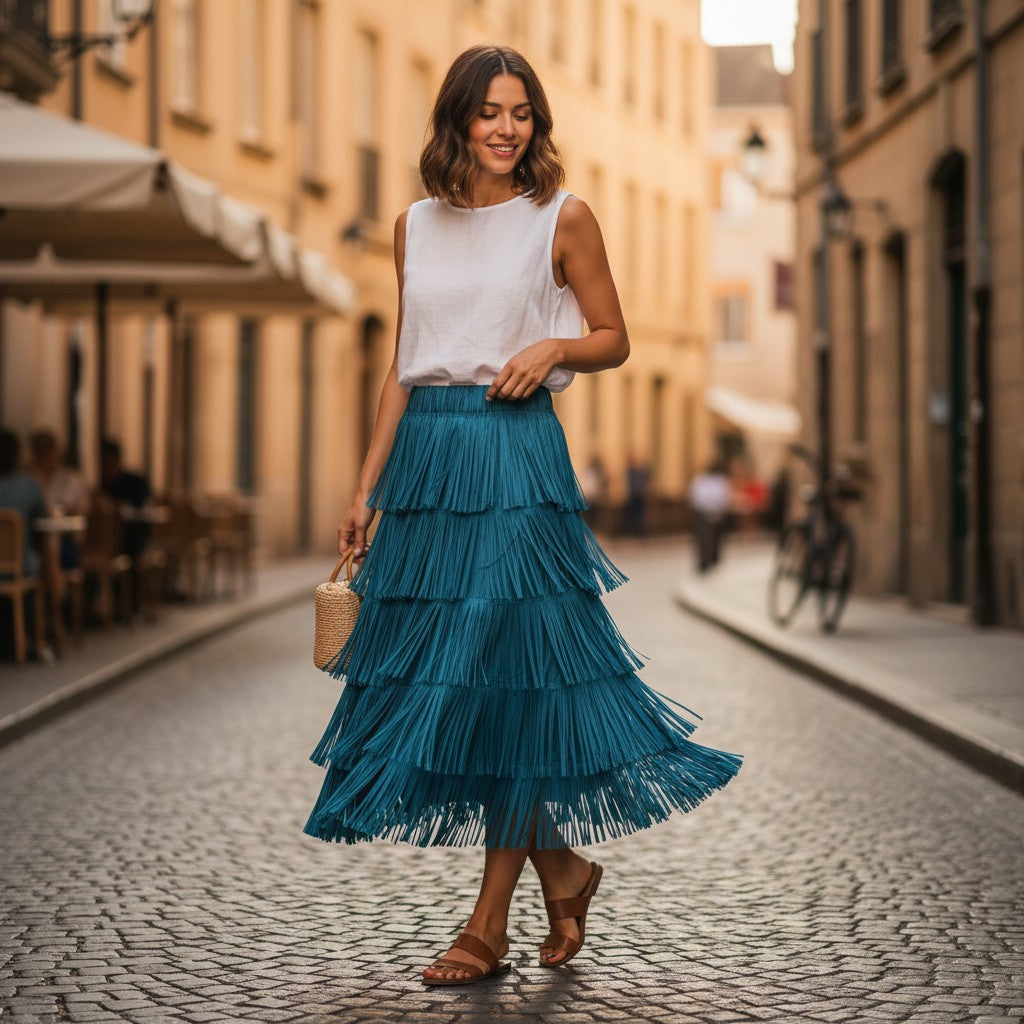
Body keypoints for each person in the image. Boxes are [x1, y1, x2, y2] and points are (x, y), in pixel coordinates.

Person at [303, 45, 742, 987]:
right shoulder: (412, 225)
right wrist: (367, 486)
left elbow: (613, 337)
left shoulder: (561, 216)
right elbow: (405, 363)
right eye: (490, 112)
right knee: (477, 682)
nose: (508, 129)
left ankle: (487, 924)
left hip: (515, 456)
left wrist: (551, 348)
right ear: (457, 119)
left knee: (491, 671)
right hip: (429, 460)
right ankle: (566, 867)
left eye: (523, 113)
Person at [28, 429, 90, 569]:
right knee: (45, 546)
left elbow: (81, 511)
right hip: (34, 541)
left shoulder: (71, 479)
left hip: (66, 541)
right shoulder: (29, 479)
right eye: (40, 453)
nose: (44, 458)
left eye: (47, 452)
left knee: (50, 544)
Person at [688, 461, 732, 573]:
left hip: (707, 512)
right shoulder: (705, 481)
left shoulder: (704, 481)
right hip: (707, 513)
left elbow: (695, 498)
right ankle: (706, 561)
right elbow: (723, 498)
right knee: (706, 539)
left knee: (711, 539)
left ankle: (710, 561)